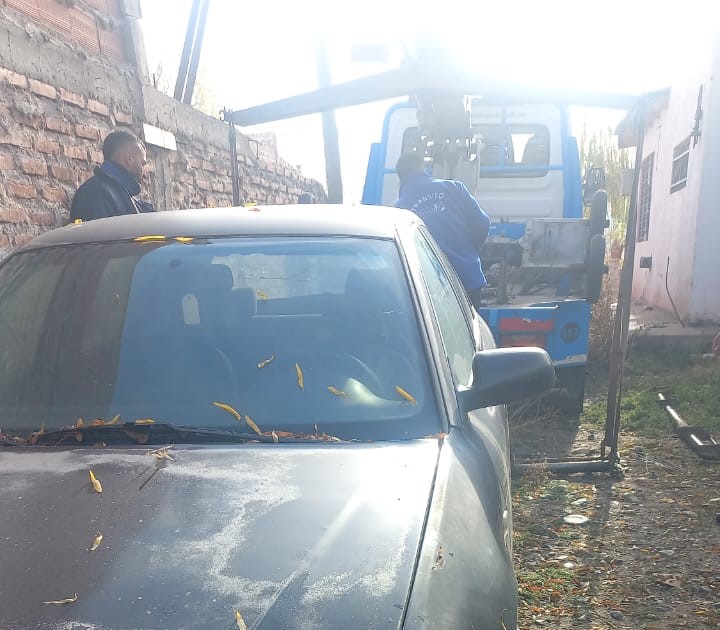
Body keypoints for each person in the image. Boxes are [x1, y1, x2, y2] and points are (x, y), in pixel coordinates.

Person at [395, 152, 490, 308]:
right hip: (467, 278)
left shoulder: (400, 210)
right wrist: (468, 253)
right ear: (422, 168)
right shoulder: (454, 188)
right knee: (470, 331)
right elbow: (482, 223)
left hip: (430, 289)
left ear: (401, 178)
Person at [70, 130, 154, 222]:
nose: (145, 173)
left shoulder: (123, 195)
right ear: (129, 158)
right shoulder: (94, 193)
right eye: (142, 163)